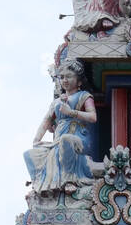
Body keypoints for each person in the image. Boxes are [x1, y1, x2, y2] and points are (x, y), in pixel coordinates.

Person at [25, 62, 96, 196]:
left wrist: (71, 113)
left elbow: (93, 117)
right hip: (58, 140)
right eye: (62, 77)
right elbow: (46, 121)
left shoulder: (84, 96)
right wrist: (36, 139)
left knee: (66, 140)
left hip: (78, 138)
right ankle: (39, 185)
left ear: (79, 81)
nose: (65, 80)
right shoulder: (56, 102)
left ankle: (69, 180)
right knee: (29, 154)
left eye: (69, 76)